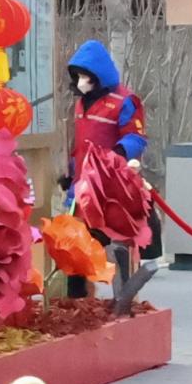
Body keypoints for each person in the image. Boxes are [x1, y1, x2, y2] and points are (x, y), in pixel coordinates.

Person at [60, 39, 153, 291]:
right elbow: (81, 144)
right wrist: (71, 173)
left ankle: (123, 298)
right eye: (77, 76)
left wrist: (119, 153)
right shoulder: (81, 103)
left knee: (115, 245)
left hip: (111, 187)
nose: (81, 82)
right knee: (76, 245)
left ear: (97, 75)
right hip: (82, 187)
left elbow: (136, 137)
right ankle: (79, 298)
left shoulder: (124, 101)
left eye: (85, 76)